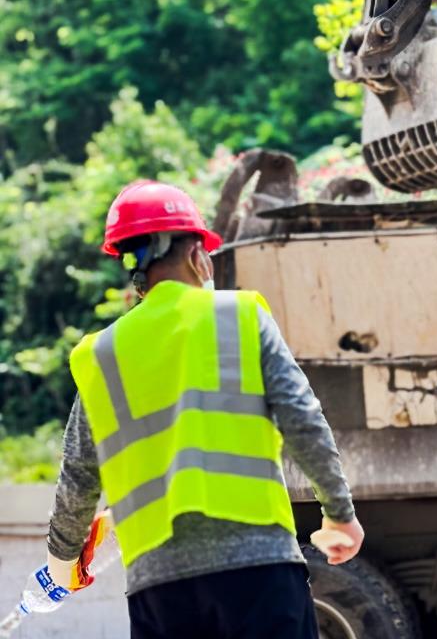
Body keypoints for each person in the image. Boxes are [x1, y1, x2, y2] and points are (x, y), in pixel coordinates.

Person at [45, 180, 363, 638]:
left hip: (159, 589)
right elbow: (303, 418)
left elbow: (77, 476)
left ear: (131, 265)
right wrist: (339, 514)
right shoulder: (241, 316)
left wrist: (61, 563)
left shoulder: (102, 355)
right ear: (198, 254)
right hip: (260, 568)